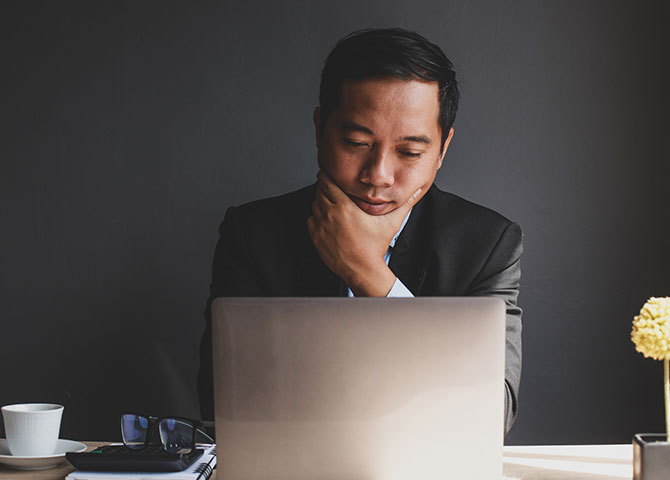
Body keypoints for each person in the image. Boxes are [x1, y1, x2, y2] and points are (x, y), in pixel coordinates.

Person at [197, 28, 523, 434]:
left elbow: (491, 416)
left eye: (410, 152)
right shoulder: (252, 234)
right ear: (320, 130)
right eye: (356, 142)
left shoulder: (488, 245)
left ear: (442, 150)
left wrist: (368, 273)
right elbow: (221, 400)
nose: (378, 176)